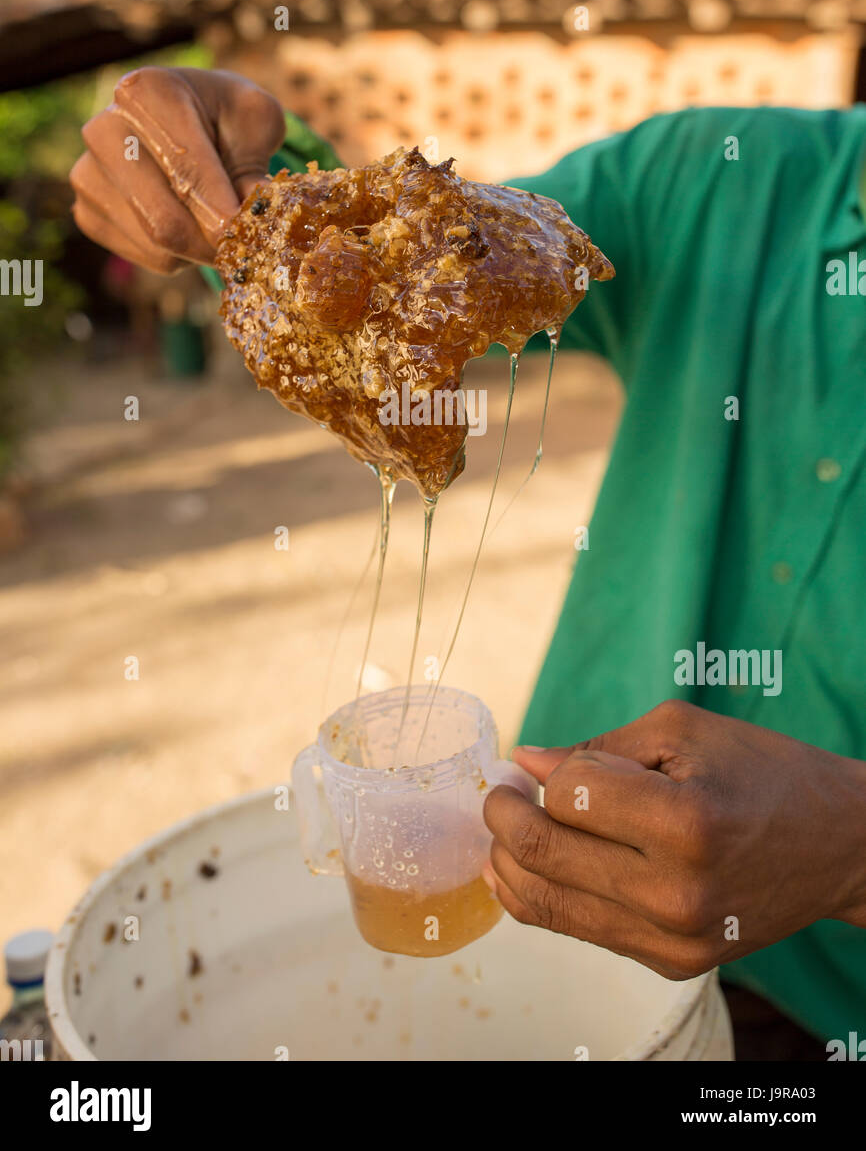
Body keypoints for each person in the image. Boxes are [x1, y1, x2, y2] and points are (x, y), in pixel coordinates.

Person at [71, 66, 866, 1061]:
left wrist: (850, 851)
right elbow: (435, 250)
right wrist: (236, 190)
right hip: (571, 906)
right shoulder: (713, 178)